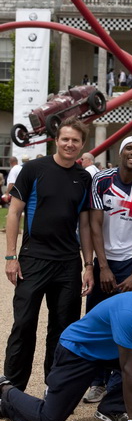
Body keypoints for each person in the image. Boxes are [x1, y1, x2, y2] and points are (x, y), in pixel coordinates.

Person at [0, 281, 132, 421]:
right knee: (49, 419)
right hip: (79, 351)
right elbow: (128, 369)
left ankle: (112, 408)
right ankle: (6, 391)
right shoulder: (131, 313)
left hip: (112, 353)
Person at [4, 117, 94, 391]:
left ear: (82, 145)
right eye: (65, 139)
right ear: (57, 139)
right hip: (33, 258)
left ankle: (55, 386)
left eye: (75, 141)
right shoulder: (33, 169)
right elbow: (14, 213)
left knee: (64, 329)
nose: (69, 144)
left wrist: (88, 265)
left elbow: (85, 224)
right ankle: (11, 387)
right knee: (24, 325)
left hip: (67, 262)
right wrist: (10, 257)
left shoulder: (83, 178)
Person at [83, 135, 132, 403]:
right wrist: (102, 267)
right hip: (104, 260)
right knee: (96, 321)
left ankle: (118, 381)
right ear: (120, 152)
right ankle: (97, 381)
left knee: (129, 325)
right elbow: (94, 225)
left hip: (131, 262)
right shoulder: (101, 180)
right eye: (129, 148)